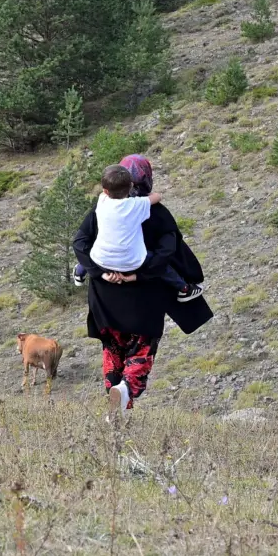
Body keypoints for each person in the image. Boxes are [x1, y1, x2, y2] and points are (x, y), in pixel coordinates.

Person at [72, 154, 212, 424]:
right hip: (144, 298)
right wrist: (138, 275)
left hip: (105, 297)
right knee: (141, 349)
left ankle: (116, 406)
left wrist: (98, 272)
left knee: (112, 348)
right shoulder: (155, 213)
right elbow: (168, 251)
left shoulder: (102, 209)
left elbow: (80, 243)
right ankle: (126, 390)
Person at [79, 163, 202, 303]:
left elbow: (106, 193)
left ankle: (80, 270)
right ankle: (184, 289)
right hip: (133, 262)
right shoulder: (137, 205)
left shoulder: (101, 202)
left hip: (102, 261)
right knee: (161, 265)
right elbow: (157, 197)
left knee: (92, 243)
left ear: (105, 191)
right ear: (131, 186)